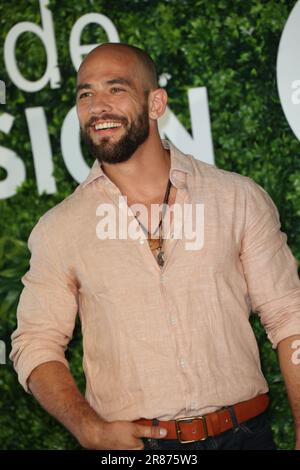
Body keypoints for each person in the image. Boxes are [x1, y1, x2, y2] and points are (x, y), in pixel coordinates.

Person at [10, 43, 300, 451]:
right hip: (137, 450)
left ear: (156, 103)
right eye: (85, 94)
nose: (98, 106)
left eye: (116, 89)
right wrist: (87, 427)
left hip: (246, 438)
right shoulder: (60, 229)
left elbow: (290, 318)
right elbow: (35, 343)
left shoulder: (237, 198)